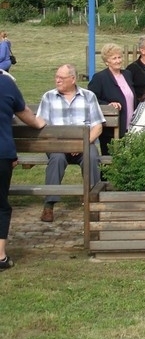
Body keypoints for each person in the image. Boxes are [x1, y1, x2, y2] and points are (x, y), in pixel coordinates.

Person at [36, 64, 105, 222]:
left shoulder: (89, 96)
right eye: (56, 77)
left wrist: (81, 145)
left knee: (92, 157)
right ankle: (49, 205)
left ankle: (93, 202)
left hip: (84, 143)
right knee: (57, 158)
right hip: (57, 144)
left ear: (73, 79)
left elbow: (97, 127)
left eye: (61, 78)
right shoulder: (48, 97)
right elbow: (42, 125)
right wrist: (63, 145)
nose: (57, 80)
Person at [1, 72, 46, 269]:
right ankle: (0, 256)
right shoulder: (6, 84)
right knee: (0, 205)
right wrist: (38, 122)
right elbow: (25, 113)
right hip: (2, 153)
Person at [88, 42, 137, 155]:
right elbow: (91, 99)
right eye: (114, 58)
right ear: (107, 61)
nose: (118, 60)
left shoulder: (127, 74)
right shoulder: (100, 78)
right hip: (111, 130)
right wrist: (108, 105)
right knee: (112, 159)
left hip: (130, 127)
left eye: (119, 57)